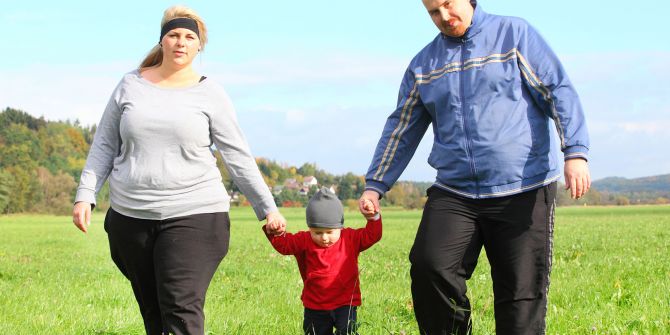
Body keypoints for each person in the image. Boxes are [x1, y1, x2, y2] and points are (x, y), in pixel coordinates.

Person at [358, 0, 591, 334]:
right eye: (433, 13)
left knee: (519, 295)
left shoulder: (514, 35)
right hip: (455, 191)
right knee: (429, 266)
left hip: (522, 188)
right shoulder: (424, 65)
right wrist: (375, 183)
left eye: (448, 6)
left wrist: (576, 152)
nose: (443, 17)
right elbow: (402, 126)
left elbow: (557, 90)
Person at [71, 6, 286, 335]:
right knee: (154, 310)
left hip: (196, 213)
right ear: (161, 42)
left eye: (189, 37)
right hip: (131, 217)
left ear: (200, 46)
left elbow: (237, 155)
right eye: (173, 35)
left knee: (179, 305)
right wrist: (85, 195)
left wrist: (267, 208)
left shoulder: (210, 93)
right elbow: (104, 144)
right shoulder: (130, 85)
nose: (180, 42)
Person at [263, 187, 382, 335]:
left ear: (340, 227)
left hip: (345, 303)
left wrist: (373, 218)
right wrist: (277, 231)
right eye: (317, 232)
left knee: (347, 332)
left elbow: (373, 235)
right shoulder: (304, 240)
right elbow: (284, 246)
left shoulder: (350, 238)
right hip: (315, 305)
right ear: (310, 228)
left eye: (330, 232)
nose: (324, 237)